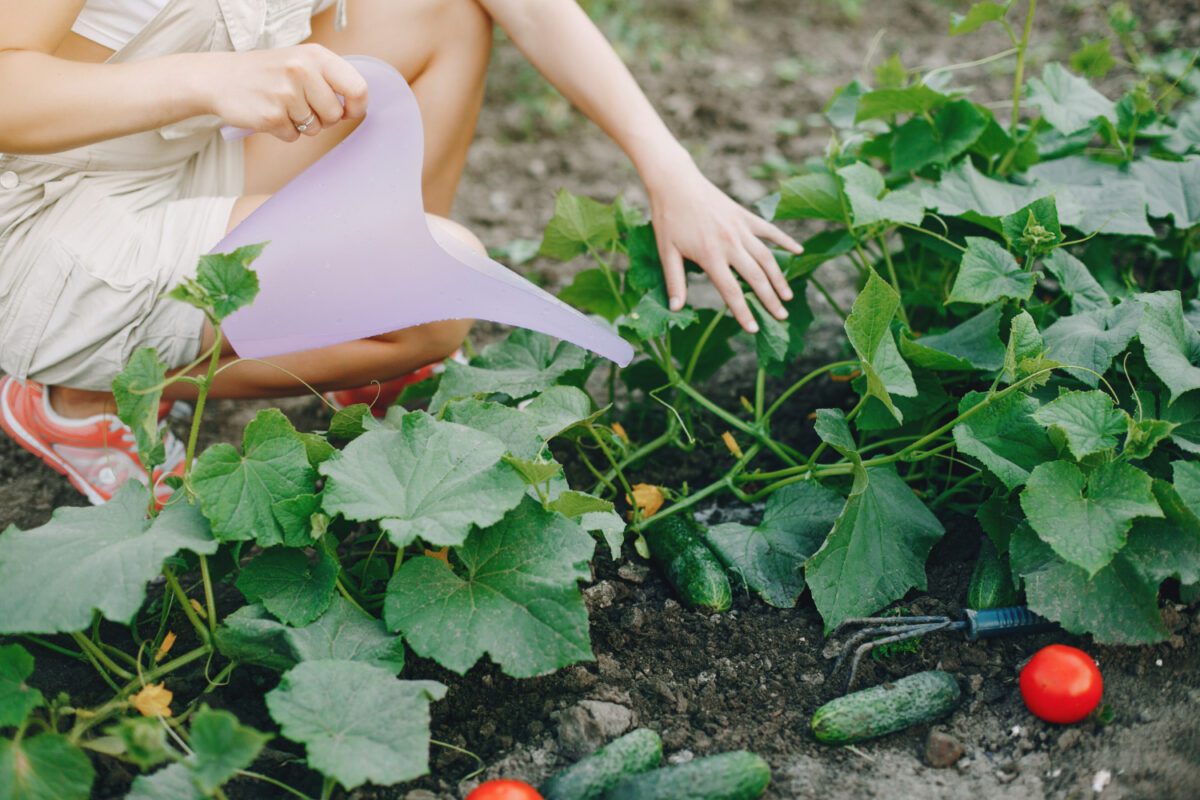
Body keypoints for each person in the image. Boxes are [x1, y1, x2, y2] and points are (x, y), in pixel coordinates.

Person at [0, 0, 803, 505]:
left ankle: (362, 347)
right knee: (438, 292)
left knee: (441, 13)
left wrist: (672, 174)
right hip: (47, 229)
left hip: (173, 160)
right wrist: (211, 79)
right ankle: (80, 398)